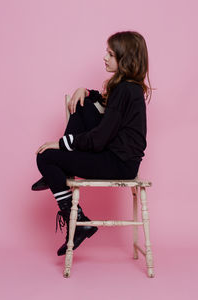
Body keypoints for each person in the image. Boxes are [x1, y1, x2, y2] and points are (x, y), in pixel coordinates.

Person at [33, 30, 152, 256]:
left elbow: (99, 139)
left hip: (118, 164)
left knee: (45, 156)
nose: (104, 58)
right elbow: (108, 111)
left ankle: (76, 219)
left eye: (110, 54)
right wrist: (86, 92)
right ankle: (61, 174)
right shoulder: (128, 88)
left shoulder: (125, 90)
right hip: (120, 160)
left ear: (125, 59)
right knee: (83, 103)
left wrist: (62, 143)